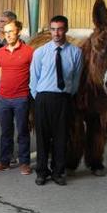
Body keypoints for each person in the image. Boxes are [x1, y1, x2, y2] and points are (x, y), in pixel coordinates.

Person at [29, 15, 82, 186]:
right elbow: (34, 78)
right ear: (50, 30)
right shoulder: (40, 52)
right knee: (42, 138)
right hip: (43, 98)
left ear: (65, 29)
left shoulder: (76, 53)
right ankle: (42, 172)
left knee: (61, 137)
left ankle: (58, 172)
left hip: (64, 99)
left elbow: (76, 79)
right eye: (53, 29)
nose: (56, 33)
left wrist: (67, 95)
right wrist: (39, 97)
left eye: (59, 29)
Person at [0, 20, 33, 175]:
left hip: (21, 98)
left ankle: (24, 163)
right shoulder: (0, 53)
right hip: (3, 98)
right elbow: (1, 75)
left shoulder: (29, 52)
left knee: (22, 131)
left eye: (11, 31)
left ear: (19, 32)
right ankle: (4, 161)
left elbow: (33, 75)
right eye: (5, 32)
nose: (7, 35)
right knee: (6, 132)